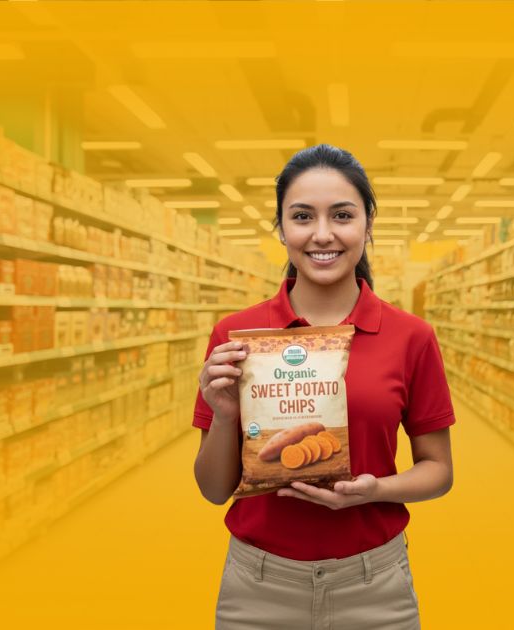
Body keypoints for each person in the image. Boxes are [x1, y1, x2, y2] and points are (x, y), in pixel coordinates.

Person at [192, 144, 455, 629]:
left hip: (375, 587)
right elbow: (213, 491)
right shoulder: (237, 337)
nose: (322, 234)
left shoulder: (411, 337)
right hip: (258, 589)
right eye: (302, 216)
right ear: (281, 228)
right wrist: (225, 414)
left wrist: (375, 491)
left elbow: (438, 470)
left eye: (342, 215)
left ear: (367, 225)